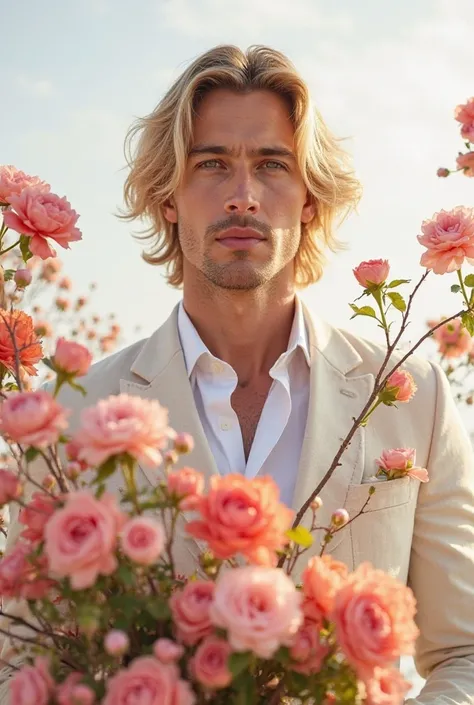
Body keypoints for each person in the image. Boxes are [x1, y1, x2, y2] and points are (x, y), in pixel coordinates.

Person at [2, 44, 474, 704]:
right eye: (213, 164)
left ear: (309, 197)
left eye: (272, 165)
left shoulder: (412, 399)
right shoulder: (74, 414)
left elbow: (462, 653)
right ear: (168, 196)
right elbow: (20, 662)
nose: (244, 196)